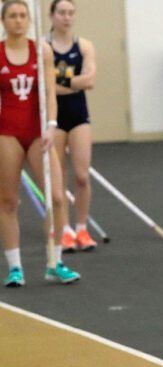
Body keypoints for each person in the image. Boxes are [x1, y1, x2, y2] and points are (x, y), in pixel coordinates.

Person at [0, 0, 80, 286]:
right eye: (12, 16)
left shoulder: (41, 51)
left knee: (57, 197)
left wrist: (50, 126)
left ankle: (55, 261)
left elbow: (49, 94)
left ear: (29, 19)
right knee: (8, 201)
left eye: (23, 15)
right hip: (7, 133)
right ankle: (15, 267)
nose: (19, 20)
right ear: (4, 20)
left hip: (38, 133)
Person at [47, 0, 97, 252]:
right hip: (54, 118)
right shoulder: (44, 48)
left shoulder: (84, 46)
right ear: (52, 16)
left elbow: (90, 80)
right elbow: (46, 87)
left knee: (82, 176)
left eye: (70, 13)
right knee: (59, 179)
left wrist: (61, 80)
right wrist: (73, 81)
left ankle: (81, 228)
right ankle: (64, 230)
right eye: (62, 13)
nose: (67, 17)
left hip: (78, 116)